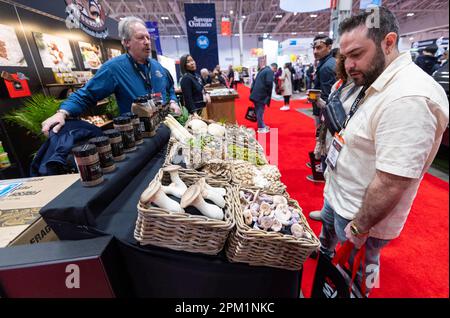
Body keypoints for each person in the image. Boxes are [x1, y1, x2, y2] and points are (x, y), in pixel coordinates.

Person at [317, 7, 448, 296]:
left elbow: (392, 181)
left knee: (358, 271)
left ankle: (358, 290)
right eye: (345, 56)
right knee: (329, 253)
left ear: (388, 42)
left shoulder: (409, 97)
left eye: (356, 54)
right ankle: (327, 263)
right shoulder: (374, 76)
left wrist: (361, 227)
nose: (348, 64)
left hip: (362, 215)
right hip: (340, 195)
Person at [41, 16, 180, 135]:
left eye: (148, 37)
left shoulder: (157, 67)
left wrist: (173, 101)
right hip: (139, 139)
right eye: (140, 38)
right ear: (126, 42)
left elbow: (170, 86)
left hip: (165, 131)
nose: (147, 41)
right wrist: (62, 113)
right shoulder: (114, 68)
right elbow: (87, 94)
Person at [250, 63, 277, 133]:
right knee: (260, 111)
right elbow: (269, 83)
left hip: (256, 93)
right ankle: (261, 128)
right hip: (261, 94)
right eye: (274, 71)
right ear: (274, 68)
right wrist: (268, 94)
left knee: (259, 110)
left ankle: (262, 125)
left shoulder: (263, 69)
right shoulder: (269, 71)